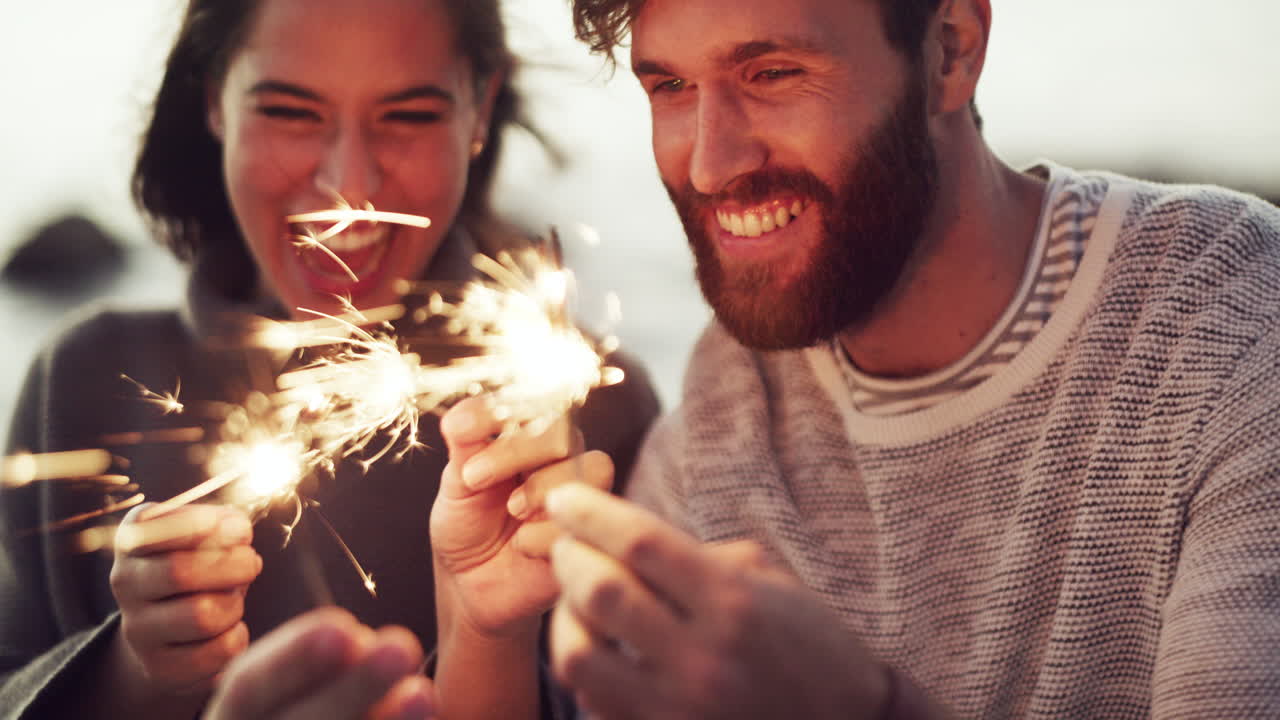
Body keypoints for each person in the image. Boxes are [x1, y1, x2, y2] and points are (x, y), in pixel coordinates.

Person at [445, 0, 1280, 717]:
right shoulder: (723, 408)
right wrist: (488, 630)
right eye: (670, 86)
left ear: (951, 47)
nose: (709, 163)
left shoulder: (1224, 312)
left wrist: (862, 707)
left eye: (772, 74)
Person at [0, 0, 658, 718]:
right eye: (291, 113)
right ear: (215, 99)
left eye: (407, 115)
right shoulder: (84, 384)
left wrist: (485, 638)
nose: (350, 189)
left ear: (480, 107)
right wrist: (132, 674)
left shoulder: (589, 427)